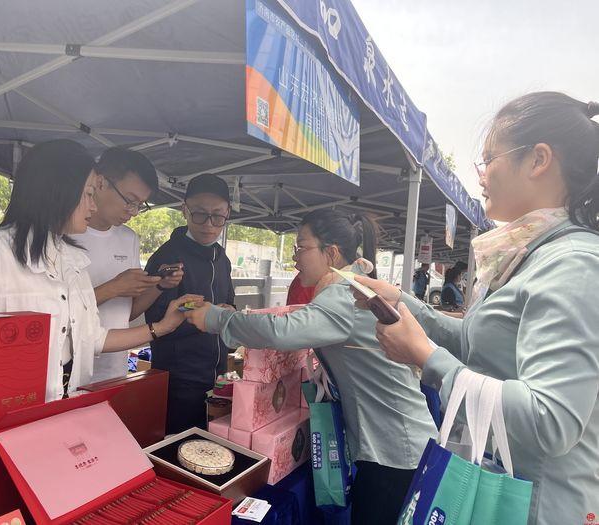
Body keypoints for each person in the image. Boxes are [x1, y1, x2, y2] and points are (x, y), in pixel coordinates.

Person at [352, 92, 599, 524]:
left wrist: (426, 359)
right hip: (498, 485)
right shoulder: (531, 254)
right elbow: (476, 344)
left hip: (533, 505)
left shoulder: (574, 265)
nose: (481, 175)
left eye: (489, 158)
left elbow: (551, 419)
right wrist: (399, 301)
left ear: (538, 160)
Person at [184, 209, 437, 524]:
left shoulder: (345, 295)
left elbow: (281, 331)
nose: (295, 258)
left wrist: (214, 319)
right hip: (398, 444)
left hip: (394, 453)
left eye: (301, 247)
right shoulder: (352, 283)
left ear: (330, 253)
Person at [0, 140, 201, 401]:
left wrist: (164, 325)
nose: (92, 206)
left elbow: (92, 337)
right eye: (89, 194)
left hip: (64, 405)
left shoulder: (73, 262)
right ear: (57, 190)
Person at [71, 147, 183, 383]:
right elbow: (59, 314)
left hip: (115, 368)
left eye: (140, 205)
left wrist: (159, 286)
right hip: (69, 372)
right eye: (130, 201)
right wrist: (113, 288)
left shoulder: (128, 238)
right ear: (100, 183)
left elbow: (127, 313)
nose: (132, 212)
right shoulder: (65, 234)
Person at [144, 173, 235, 434]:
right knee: (180, 446)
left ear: (228, 213)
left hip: (216, 374)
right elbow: (155, 317)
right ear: (184, 210)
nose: (209, 224)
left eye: (218, 216)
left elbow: (228, 301)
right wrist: (204, 316)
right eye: (199, 214)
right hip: (179, 377)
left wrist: (229, 312)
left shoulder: (222, 257)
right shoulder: (167, 257)